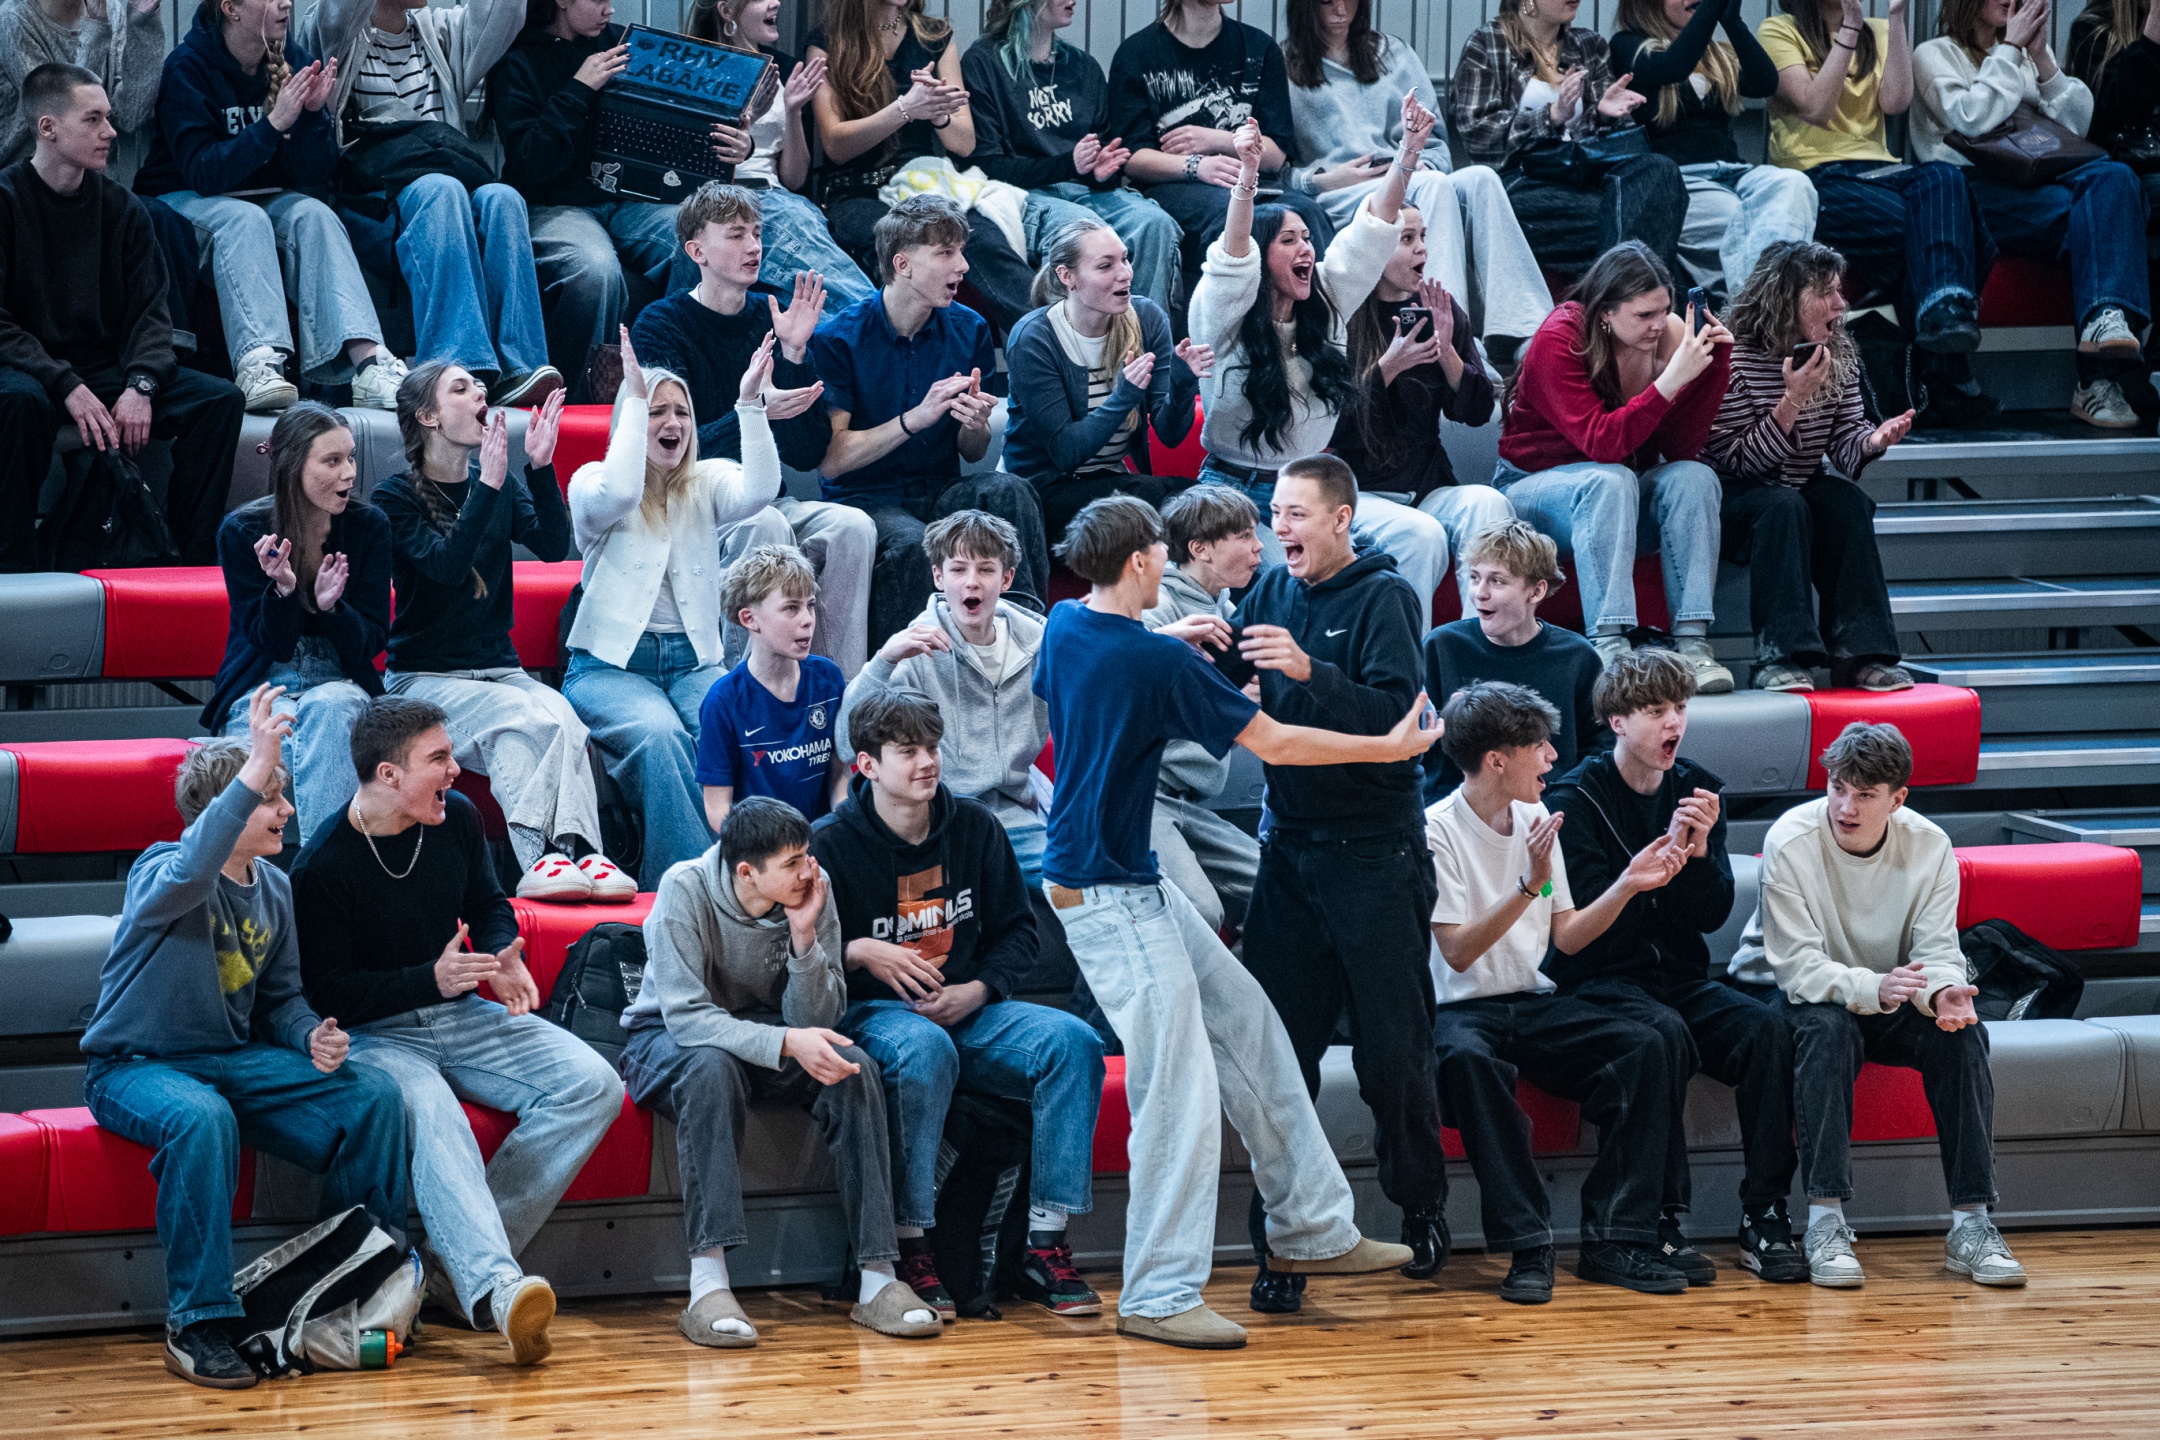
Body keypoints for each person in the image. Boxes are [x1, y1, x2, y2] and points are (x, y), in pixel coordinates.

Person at [1035, 493, 1435, 1349]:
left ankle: (1311, 1224)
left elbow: (1091, 670)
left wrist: (1166, 640)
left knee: (1252, 1027)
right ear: (1141, 561)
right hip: (1109, 895)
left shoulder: (1068, 624)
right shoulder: (1156, 662)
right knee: (1177, 1092)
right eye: (1160, 551)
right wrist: (1388, 747)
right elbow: (1278, 744)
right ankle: (1157, 1293)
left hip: (1118, 880)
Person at [81, 689, 410, 1390]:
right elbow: (190, 870)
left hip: (229, 1060)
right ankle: (197, 1324)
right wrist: (255, 761)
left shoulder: (276, 889)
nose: (287, 810)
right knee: (202, 1117)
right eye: (270, 797)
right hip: (133, 1068)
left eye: (282, 795)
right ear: (223, 809)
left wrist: (310, 1035)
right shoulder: (160, 868)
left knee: (375, 1095)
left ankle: (351, 1286)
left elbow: (281, 1001)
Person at [294, 695, 627, 1364]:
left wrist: (503, 954)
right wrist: (430, 980)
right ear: (389, 774)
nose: (455, 771)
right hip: (376, 1035)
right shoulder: (322, 865)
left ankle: (448, 1274)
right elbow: (328, 994)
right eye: (439, 759)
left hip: (462, 1013)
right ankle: (500, 1292)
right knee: (435, 1113)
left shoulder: (459, 818)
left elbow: (489, 902)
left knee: (595, 1085)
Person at [1195, 455, 1452, 1315]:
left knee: (1393, 1053)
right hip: (1288, 852)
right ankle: (1283, 1243)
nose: (1281, 528)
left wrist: (1310, 672)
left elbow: (1398, 721)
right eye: (1275, 513)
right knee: (1279, 1061)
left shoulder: (1386, 597)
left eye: (1297, 513)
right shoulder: (1268, 591)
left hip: (1376, 853)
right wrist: (1184, 652)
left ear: (1341, 519)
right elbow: (1228, 684)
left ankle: (1420, 1207)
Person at [814, 690, 1108, 1319]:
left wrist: (979, 990)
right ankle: (910, 1247)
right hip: (875, 1016)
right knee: (924, 1048)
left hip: (970, 1009)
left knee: (1074, 1043)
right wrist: (858, 950)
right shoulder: (830, 845)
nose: (928, 761)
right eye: (908, 751)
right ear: (867, 765)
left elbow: (1019, 934)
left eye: (932, 747)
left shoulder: (975, 826)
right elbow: (793, 954)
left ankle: (1043, 1245)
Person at [621, 795, 941, 1344]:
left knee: (853, 1067)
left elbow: (819, 1018)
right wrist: (788, 1041)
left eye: (806, 855)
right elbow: (688, 1018)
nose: (807, 871)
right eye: (792, 863)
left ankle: (877, 1277)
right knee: (710, 1069)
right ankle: (708, 1283)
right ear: (747, 871)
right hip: (666, 1037)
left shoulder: (814, 889)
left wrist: (804, 938)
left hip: (767, 1031)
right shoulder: (684, 888)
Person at [1728, 721, 2027, 1289]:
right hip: (1788, 990)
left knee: (1962, 1033)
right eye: (1838, 787)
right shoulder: (1791, 839)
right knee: (1829, 1029)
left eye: (1865, 794)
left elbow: (1937, 949)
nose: (1846, 806)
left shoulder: (1930, 845)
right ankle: (1825, 1221)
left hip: (1889, 988)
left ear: (1897, 798)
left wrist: (1942, 991)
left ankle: (1971, 1223)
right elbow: (1797, 967)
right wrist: (1875, 987)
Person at [1544, 649, 1808, 1287]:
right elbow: (1577, 934)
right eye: (1657, 710)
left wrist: (1698, 854)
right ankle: (1656, 1220)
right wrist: (1639, 882)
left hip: (1680, 978)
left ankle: (1765, 1214)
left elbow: (1711, 915)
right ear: (1617, 721)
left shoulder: (1698, 790)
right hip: (1600, 980)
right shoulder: (1574, 799)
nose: (1674, 722)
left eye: (1681, 708)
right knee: (1660, 1032)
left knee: (1768, 1030)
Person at [1425, 679, 1687, 1303]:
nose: (1551, 757)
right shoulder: (1435, 830)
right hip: (1460, 1010)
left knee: (1645, 1045)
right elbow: (1457, 951)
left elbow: (1566, 936)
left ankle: (1615, 1238)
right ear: (1497, 760)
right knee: (1467, 1061)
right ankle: (1528, 1244)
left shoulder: (1537, 817)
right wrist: (1528, 884)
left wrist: (1627, 884)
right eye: (1539, 746)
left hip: (1531, 999)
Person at [375, 361, 635, 900]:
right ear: (427, 417)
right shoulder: (393, 498)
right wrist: (489, 486)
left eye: (478, 385)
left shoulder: (496, 483)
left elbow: (552, 545)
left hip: (499, 670)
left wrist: (540, 466)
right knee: (527, 716)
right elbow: (446, 567)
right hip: (424, 678)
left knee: (562, 722)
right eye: (461, 388)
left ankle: (578, 857)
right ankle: (543, 856)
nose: (480, 392)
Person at [1188, 109, 1449, 609]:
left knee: (1420, 536)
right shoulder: (1222, 316)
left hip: (1311, 488)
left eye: (1307, 238)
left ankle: (1400, 658)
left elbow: (1372, 230)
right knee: (1287, 585)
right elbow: (1230, 260)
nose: (1305, 248)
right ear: (1260, 256)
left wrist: (1410, 151)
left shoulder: (1326, 302)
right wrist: (1248, 174)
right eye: (1288, 241)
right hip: (1234, 494)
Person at [0, 65, 244, 570]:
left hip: (102, 369)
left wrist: (141, 384)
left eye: (108, 118)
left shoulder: (122, 207)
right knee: (19, 403)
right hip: (27, 371)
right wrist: (64, 383)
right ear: (48, 128)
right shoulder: (6, 201)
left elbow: (152, 313)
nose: (111, 131)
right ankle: (15, 568)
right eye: (93, 119)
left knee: (219, 400)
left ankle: (191, 562)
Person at [562, 329, 782, 888]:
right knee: (661, 737)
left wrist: (749, 404)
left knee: (740, 727)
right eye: (657, 411)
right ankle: (690, 889)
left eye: (681, 412)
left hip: (692, 665)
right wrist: (635, 401)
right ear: (632, 420)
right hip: (610, 671)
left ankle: (764, 876)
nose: (673, 423)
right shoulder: (593, 483)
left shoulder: (704, 482)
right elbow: (622, 491)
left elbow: (761, 490)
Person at [628, 183, 876, 675]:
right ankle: (739, 689)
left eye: (758, 234)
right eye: (737, 234)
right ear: (696, 251)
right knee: (765, 525)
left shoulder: (772, 316)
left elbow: (807, 453)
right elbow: (667, 447)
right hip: (691, 504)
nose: (754, 246)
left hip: (768, 498)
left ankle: (837, 689)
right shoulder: (660, 324)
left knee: (852, 526)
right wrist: (752, 411)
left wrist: (796, 354)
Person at [136, 0, 406, 413]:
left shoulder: (290, 57)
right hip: (183, 199)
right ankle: (259, 364)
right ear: (231, 8)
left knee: (315, 215)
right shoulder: (188, 67)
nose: (285, 3)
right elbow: (203, 172)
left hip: (260, 197)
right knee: (244, 220)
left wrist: (312, 116)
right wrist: (273, 124)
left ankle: (370, 365)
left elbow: (313, 175)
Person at [809, 194, 1050, 646]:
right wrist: (915, 419)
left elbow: (972, 452)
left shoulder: (970, 328)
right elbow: (832, 460)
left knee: (1010, 490)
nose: (963, 266)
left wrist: (975, 424)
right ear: (902, 264)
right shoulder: (837, 338)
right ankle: (909, 672)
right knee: (914, 544)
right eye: (945, 253)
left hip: (940, 488)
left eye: (961, 251)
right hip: (866, 497)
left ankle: (1027, 640)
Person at [298, 0, 563, 408]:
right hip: (369, 201)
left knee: (503, 198)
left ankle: (519, 368)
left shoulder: (438, 31)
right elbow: (340, 10)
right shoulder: (336, 29)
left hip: (441, 180)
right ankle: (455, 371)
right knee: (442, 190)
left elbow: (506, 11)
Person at [1497, 239, 1733, 691]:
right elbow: (1602, 443)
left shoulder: (1665, 337)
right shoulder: (1559, 337)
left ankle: (1692, 645)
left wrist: (1713, 368)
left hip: (1617, 494)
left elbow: (1680, 449)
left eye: (1664, 310)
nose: (1658, 324)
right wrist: (1670, 381)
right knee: (1610, 479)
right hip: (1532, 494)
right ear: (1605, 311)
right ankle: (1610, 645)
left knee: (1695, 477)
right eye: (1644, 315)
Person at [1759, 0, 2003, 428]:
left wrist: (1896, 18)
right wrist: (1849, 29)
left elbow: (1895, 102)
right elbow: (1815, 107)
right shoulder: (1779, 31)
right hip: (1815, 177)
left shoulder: (1880, 30)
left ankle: (1943, 314)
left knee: (1945, 177)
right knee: (1946, 228)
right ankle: (1945, 373)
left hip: (1880, 171)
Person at [1912, 0, 2149, 429]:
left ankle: (2104, 321)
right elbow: (1969, 119)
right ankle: (2098, 380)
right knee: (2100, 223)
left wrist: (2041, 59)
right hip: (1971, 190)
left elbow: (2076, 129)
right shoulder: (1933, 54)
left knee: (2115, 176)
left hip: (2035, 182)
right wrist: (2010, 51)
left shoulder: (2022, 54)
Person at [1284, 0, 1552, 353]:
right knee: (1433, 187)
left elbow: (1438, 145)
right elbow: (1278, 169)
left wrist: (1421, 163)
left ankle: (1531, 333)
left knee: (1481, 179)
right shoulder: (1284, 64)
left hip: (1408, 171)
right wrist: (1325, 179)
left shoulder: (1394, 53)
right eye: (1326, 1)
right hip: (1342, 191)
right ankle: (1450, 343)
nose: (1341, 10)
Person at [1706, 239, 1913, 692]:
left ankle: (1860, 656)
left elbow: (1845, 444)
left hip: (1798, 484)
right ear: (1785, 299)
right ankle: (1780, 658)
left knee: (1847, 502)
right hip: (1731, 495)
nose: (1840, 304)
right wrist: (1793, 399)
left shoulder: (1837, 348)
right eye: (1825, 292)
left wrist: (1873, 440)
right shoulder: (1730, 358)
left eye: (1838, 290)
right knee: (1783, 507)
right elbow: (1742, 461)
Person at [486, 0, 691, 402]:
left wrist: (739, 138)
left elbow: (675, 122)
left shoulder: (625, 46)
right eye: (598, 0)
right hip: (554, 203)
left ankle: (677, 390)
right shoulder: (518, 60)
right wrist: (579, 88)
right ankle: (576, 405)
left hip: (630, 202)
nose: (610, 10)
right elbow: (530, 163)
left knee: (696, 241)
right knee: (594, 271)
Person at [205, 403, 388, 843]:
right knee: (283, 736)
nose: (349, 473)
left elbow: (372, 641)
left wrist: (332, 609)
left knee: (332, 706)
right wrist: (284, 591)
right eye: (332, 461)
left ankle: (321, 871)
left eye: (351, 457)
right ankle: (328, 869)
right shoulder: (242, 530)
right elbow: (271, 644)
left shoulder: (369, 526)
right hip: (263, 681)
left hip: (340, 678)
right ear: (293, 466)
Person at [835, 511, 1050, 882]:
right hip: (938, 821)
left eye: (986, 569)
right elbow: (846, 745)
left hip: (1015, 819)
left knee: (1082, 886)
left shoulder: (1041, 643)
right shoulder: (916, 649)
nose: (972, 582)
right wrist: (883, 661)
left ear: (1007, 578)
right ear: (938, 576)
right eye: (958, 569)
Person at [1333, 212, 1514, 618]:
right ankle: (1411, 654)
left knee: (1489, 503)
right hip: (1360, 493)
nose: (1422, 249)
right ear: (1374, 249)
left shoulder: (1438, 310)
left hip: (1428, 487)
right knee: (1423, 534)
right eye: (1406, 239)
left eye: (1423, 237)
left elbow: (1478, 413)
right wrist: (1388, 368)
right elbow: (1330, 429)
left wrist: (1447, 352)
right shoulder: (1341, 317)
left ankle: (1478, 641)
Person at [0, 0, 205, 351]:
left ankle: (165, 351)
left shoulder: (114, 11)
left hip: (94, 186)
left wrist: (141, 24)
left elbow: (131, 115)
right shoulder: (13, 19)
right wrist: (97, 31)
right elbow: (63, 109)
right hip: (31, 184)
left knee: (165, 222)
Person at [960, 0, 1183, 313]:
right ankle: (1075, 341)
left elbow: (1099, 162)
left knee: (1155, 223)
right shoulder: (983, 62)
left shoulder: (1082, 67)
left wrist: (1100, 172)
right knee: (1084, 230)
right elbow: (988, 165)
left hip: (1082, 190)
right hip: (1023, 194)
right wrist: (1069, 165)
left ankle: (1143, 335)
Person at [1002, 215, 1210, 541]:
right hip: (1043, 493)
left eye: (1125, 259)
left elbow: (1169, 435)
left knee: (1207, 502)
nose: (1125, 273)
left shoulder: (1147, 318)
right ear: (1067, 276)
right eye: (1105, 266)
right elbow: (1066, 453)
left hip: (1112, 481)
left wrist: (1182, 382)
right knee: (1176, 502)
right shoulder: (1034, 338)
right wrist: (1123, 396)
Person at [1105, 0, 1336, 293]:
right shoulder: (1137, 53)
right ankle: (1231, 320)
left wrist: (1216, 140)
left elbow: (1276, 153)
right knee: (1235, 215)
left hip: (1254, 180)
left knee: (1307, 212)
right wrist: (1197, 166)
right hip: (1175, 185)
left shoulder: (1259, 47)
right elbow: (1131, 158)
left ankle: (1319, 317)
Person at [1449, 0, 1687, 282]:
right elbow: (1479, 134)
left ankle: (1618, 296)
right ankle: (1628, 298)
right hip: (1524, 179)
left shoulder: (1589, 45)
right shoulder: (1487, 44)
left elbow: (1615, 141)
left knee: (1661, 170)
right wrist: (1551, 115)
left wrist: (1602, 114)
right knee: (1640, 221)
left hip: (1587, 174)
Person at [1613, 0, 1819, 307]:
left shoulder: (1714, 53)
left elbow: (1764, 82)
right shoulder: (1628, 45)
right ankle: (1760, 311)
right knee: (1738, 217)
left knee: (1794, 184)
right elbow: (1673, 66)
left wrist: (1732, 21)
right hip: (1682, 179)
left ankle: (1760, 306)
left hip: (1734, 171)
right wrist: (1711, 8)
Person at [685, 0, 877, 305]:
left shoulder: (782, 68)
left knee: (810, 287)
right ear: (727, 11)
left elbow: (794, 178)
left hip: (777, 195)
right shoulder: (696, 69)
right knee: (829, 282)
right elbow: (692, 163)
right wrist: (748, 120)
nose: (776, 3)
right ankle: (876, 319)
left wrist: (793, 110)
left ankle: (871, 320)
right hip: (730, 194)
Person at [1141, 483, 1262, 932]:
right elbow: (1122, 699)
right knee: (1202, 912)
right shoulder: (1155, 610)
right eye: (1245, 536)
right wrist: (1231, 709)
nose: (1259, 547)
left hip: (1188, 801)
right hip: (1141, 795)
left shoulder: (1230, 613)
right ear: (1200, 549)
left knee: (1284, 891)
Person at [1420, 520, 1604, 799]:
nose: (1480, 593)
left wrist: (1563, 804)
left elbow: (1599, 750)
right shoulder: (1441, 646)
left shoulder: (1577, 656)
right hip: (1460, 809)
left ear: (1536, 591)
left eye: (1497, 581)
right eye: (1474, 577)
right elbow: (1422, 753)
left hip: (1551, 808)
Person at [804, 0, 982, 288]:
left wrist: (938, 114)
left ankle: (1043, 317)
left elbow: (965, 143)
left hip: (923, 183)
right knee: (903, 245)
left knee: (984, 238)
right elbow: (835, 146)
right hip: (857, 191)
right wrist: (905, 109)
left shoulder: (934, 37)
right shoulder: (828, 41)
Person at [696, 543, 849, 830]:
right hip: (761, 848)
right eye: (791, 608)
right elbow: (717, 808)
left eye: (810, 605)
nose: (807, 620)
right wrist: (767, 850)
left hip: (822, 839)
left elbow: (840, 773)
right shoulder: (723, 701)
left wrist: (840, 827)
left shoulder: (828, 678)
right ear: (749, 619)